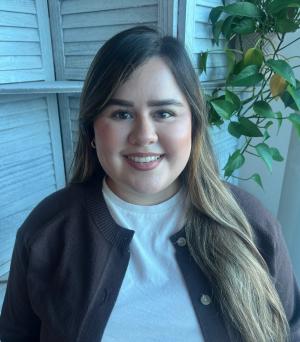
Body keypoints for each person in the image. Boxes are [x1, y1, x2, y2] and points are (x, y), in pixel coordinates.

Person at [0, 26, 299, 342]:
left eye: (164, 113)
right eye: (121, 114)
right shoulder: (48, 228)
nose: (144, 135)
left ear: (194, 125)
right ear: (91, 131)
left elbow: (291, 329)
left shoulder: (250, 223)